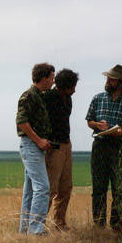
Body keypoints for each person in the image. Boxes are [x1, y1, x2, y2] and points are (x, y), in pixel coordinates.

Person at [85, 64, 122, 231]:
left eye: (112, 79)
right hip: (100, 147)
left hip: (120, 148)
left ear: (121, 82)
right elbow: (89, 121)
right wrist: (97, 125)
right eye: (108, 78)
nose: (108, 81)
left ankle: (117, 227)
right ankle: (99, 226)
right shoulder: (98, 98)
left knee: (119, 189)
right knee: (98, 189)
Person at [16, 62, 56, 235]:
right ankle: (36, 230)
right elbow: (22, 122)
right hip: (31, 146)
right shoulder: (29, 96)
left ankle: (25, 230)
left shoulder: (38, 95)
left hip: (34, 147)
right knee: (42, 187)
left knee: (31, 190)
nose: (53, 82)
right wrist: (39, 141)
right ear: (44, 78)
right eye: (52, 78)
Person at [42, 68, 78, 231]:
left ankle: (59, 223)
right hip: (53, 147)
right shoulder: (47, 98)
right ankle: (38, 225)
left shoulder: (68, 100)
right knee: (50, 188)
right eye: (72, 87)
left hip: (66, 145)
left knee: (66, 187)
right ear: (63, 86)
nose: (75, 91)